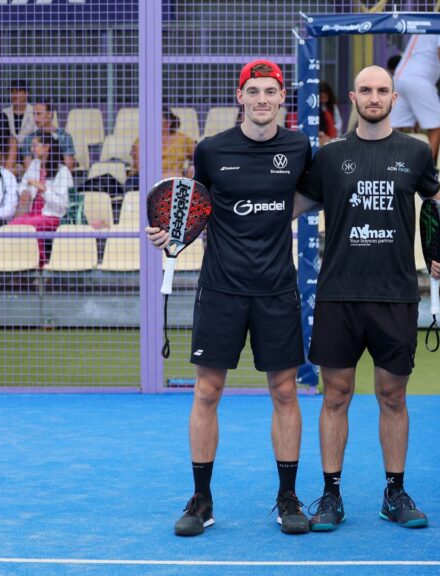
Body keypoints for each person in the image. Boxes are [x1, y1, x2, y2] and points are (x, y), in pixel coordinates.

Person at [144, 59, 313, 537]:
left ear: (283, 99)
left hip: (277, 290)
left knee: (284, 392)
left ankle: (287, 498)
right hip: (220, 290)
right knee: (206, 391)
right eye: (253, 91)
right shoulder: (211, 150)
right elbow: (194, 208)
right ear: (240, 97)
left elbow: (315, 195)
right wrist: (171, 234)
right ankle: (201, 498)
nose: (262, 99)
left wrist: (279, 213)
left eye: (270, 92)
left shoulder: (300, 148)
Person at [295, 65, 440, 533]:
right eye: (365, 89)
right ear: (353, 96)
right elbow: (289, 207)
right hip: (338, 296)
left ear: (394, 97)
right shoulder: (329, 155)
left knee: (392, 396)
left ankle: (394, 492)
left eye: (382, 90)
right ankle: (330, 494)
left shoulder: (416, 152)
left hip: (395, 296)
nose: (374, 96)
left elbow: (438, 209)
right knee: (336, 395)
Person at [390, 34, 440, 163]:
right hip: (419, 80)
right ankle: (422, 170)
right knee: (437, 127)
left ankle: (387, 167)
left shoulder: (425, 20)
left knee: (393, 128)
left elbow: (426, 51)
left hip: (399, 79)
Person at [12, 134, 71, 267]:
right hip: (33, 212)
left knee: (32, 226)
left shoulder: (63, 171)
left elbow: (63, 204)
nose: (32, 150)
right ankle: (17, 265)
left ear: (46, 147)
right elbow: (23, 184)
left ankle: (38, 264)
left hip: (53, 215)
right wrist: (24, 192)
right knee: (13, 225)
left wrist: (44, 190)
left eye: (35, 146)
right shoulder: (34, 164)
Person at [20, 100, 76, 171]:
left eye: (39, 114)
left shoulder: (64, 137)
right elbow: (27, 169)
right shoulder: (29, 139)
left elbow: (69, 168)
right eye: (34, 114)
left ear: (50, 114)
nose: (35, 118)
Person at [2, 79, 37, 144]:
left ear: (26, 94)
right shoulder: (4, 113)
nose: (14, 95)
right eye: (12, 92)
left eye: (18, 91)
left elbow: (38, 134)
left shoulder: (35, 112)